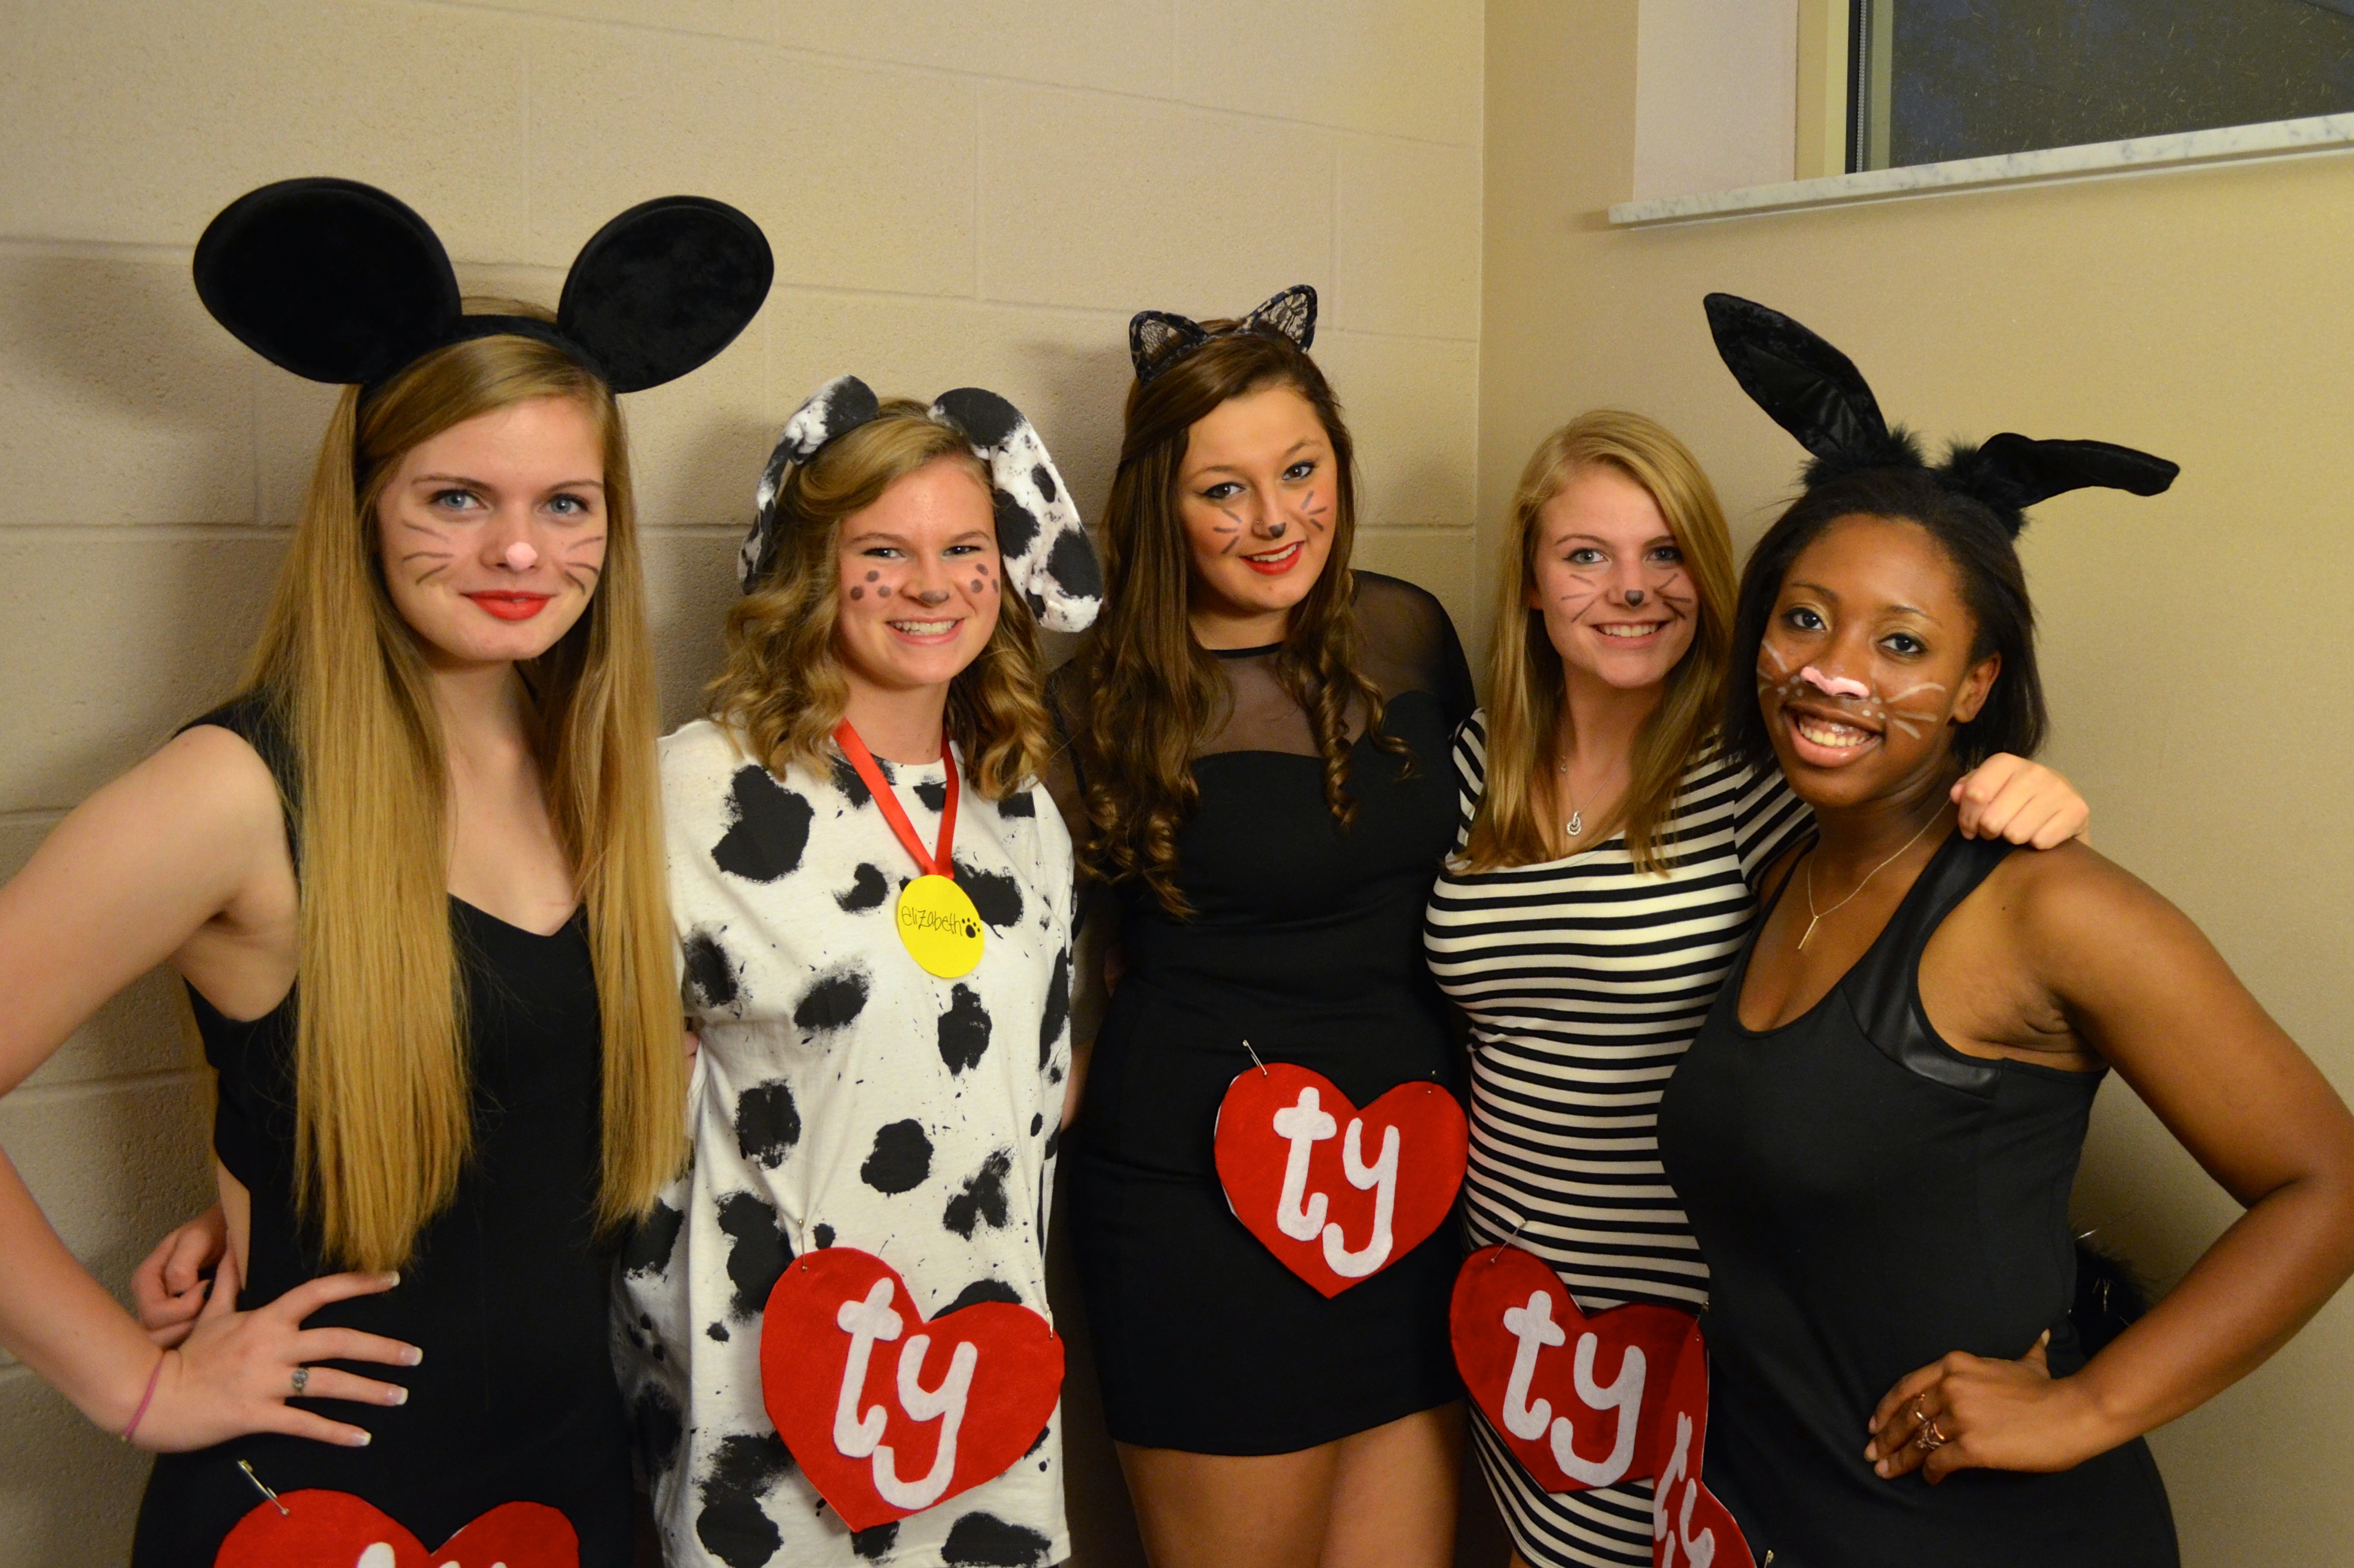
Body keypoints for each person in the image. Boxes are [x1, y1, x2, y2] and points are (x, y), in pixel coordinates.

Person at [0, 178, 769, 1566]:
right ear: (363, 508)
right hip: (320, 1507)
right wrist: (137, 1384)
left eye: (566, 502)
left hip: (572, 1488)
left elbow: (499, 1098)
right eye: (456, 497)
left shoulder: (592, 773)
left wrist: (283, 1171)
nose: (520, 549)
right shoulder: (234, 790)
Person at [1655, 294, 2354, 1566]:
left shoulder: (2048, 905)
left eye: (1901, 642)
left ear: (1975, 684)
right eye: (1803, 616)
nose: (1832, 670)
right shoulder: (1782, 873)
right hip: (1765, 1520)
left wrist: (2085, 1405)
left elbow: (2329, 1183)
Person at [1423, 409, 2093, 1568]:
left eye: (1665, 553)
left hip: (1694, 1310)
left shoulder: (1756, 773)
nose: (1631, 589)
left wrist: (2020, 790)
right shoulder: (1477, 759)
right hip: (1516, 1294)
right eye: (1585, 555)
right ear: (1529, 582)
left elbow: (1908, 870)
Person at [614, 377, 1100, 1567]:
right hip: (763, 1400)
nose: (932, 585)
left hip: (978, 1384)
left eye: (964, 548)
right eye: (883, 551)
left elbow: (1036, 1093)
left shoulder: (1019, 810)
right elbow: (581, 1087)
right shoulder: (694, 792)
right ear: (811, 572)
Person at [1054, 286, 1475, 1568]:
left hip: (1408, 1182)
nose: (1275, 517)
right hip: (1198, 1210)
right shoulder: (1094, 701)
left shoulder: (1407, 635)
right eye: (1222, 490)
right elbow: (1021, 950)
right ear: (1159, 505)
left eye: (1300, 470)